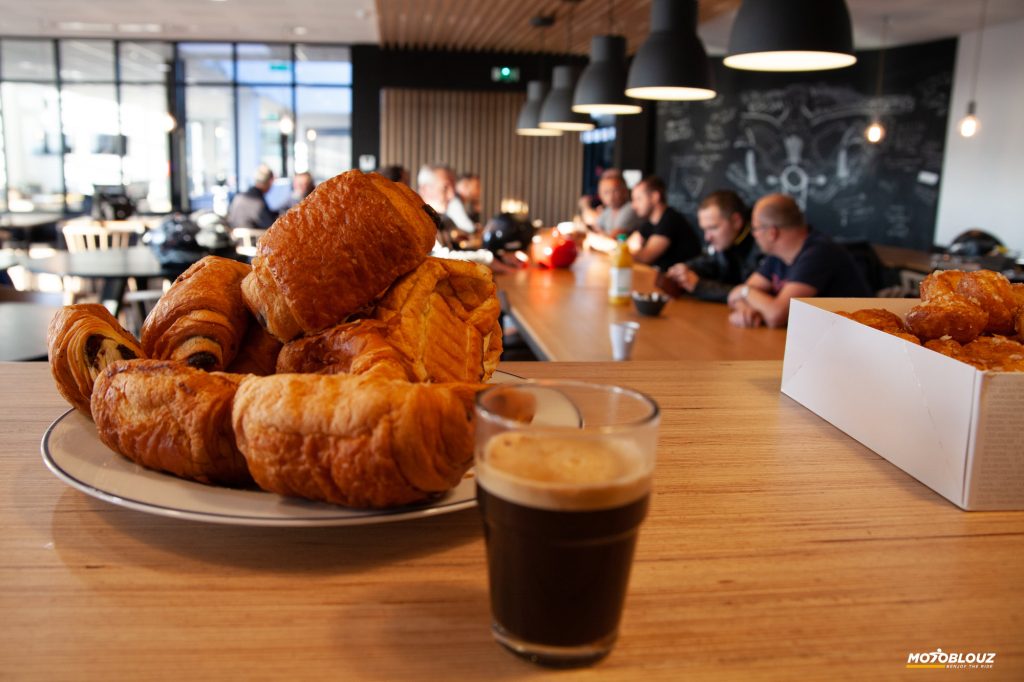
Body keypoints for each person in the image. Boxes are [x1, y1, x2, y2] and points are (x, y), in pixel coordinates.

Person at [727, 193, 873, 328]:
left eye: (755, 229)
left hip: (853, 341)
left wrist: (744, 291)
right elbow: (735, 298)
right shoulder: (777, 255)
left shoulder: (819, 253)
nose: (754, 235)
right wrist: (747, 310)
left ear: (772, 233)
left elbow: (776, 315)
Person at [663, 190, 761, 303]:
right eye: (704, 229)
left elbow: (753, 295)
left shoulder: (762, 246)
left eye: (713, 228)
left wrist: (700, 286)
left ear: (736, 221)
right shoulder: (726, 241)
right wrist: (685, 269)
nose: (707, 237)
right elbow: (708, 262)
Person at [628, 175, 702, 273]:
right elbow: (629, 245)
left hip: (681, 284)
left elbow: (645, 257)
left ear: (655, 197)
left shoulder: (670, 219)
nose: (634, 206)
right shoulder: (649, 222)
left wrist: (623, 252)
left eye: (638, 199)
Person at [578, 169, 642, 237]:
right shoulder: (609, 210)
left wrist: (586, 207)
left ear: (625, 191)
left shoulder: (630, 209)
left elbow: (612, 237)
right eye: (606, 192)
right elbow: (595, 226)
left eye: (615, 191)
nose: (610, 196)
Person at [227, 164, 278, 229]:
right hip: (252, 237)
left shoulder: (239, 197)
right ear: (269, 181)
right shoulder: (257, 202)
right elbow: (270, 225)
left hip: (234, 237)